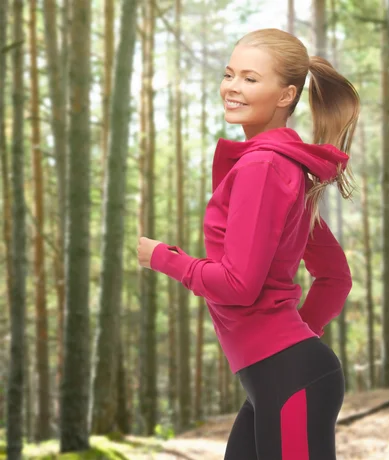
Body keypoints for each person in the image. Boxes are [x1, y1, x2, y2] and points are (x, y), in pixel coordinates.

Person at [137, 27, 360, 459]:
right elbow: (335, 277)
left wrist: (162, 258)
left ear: (285, 95)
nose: (232, 88)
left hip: (288, 375)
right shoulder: (286, 168)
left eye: (250, 79)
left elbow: (239, 284)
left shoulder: (263, 168)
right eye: (229, 74)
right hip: (280, 376)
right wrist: (295, 338)